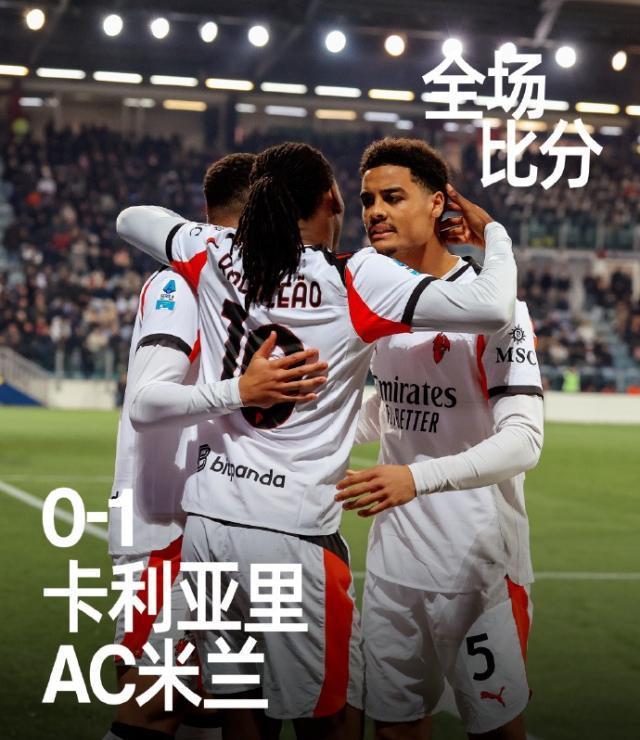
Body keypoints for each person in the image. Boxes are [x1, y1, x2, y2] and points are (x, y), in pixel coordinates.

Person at [116, 141, 517, 740]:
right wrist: (495, 236)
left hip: (209, 527)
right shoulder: (354, 276)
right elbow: (493, 307)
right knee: (332, 717)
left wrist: (219, 236)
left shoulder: (214, 252)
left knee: (241, 707)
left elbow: (132, 219)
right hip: (292, 532)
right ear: (331, 199)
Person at [105, 153, 328, 740]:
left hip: (213, 524)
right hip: (164, 528)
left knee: (217, 708)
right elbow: (146, 400)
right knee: (155, 702)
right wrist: (239, 390)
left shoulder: (253, 291)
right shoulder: (181, 284)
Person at [335, 138, 544, 740]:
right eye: (368, 199)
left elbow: (524, 441)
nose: (375, 211)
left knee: (497, 730)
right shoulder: (383, 305)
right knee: (394, 729)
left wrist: (416, 478)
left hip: (478, 570)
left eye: (393, 197)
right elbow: (396, 408)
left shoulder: (500, 311)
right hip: (394, 567)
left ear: (436, 205)